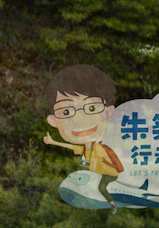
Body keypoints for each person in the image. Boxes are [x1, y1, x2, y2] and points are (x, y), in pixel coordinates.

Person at [42, 65, 123, 210]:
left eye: (91, 108)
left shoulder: (98, 148)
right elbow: (71, 147)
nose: (80, 118)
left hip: (109, 174)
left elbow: (105, 161)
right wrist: (53, 141)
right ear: (53, 121)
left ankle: (112, 204)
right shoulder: (86, 150)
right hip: (97, 175)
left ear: (109, 111)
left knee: (101, 188)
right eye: (66, 111)